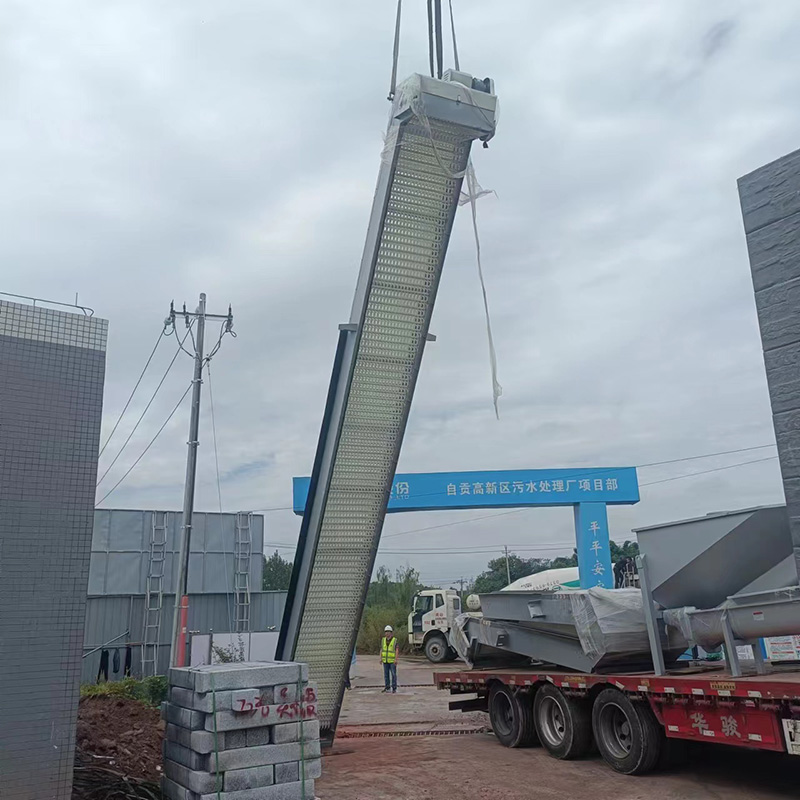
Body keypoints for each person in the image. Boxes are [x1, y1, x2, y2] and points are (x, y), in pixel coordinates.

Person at [380, 624, 398, 694]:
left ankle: (394, 688)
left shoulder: (394, 640)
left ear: (391, 632)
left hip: (392, 661)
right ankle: (387, 687)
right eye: (386, 632)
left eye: (388, 632)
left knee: (393, 674)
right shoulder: (383, 640)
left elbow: (396, 650)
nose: (387, 633)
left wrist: (396, 659)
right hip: (385, 661)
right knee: (386, 675)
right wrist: (381, 658)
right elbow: (381, 649)